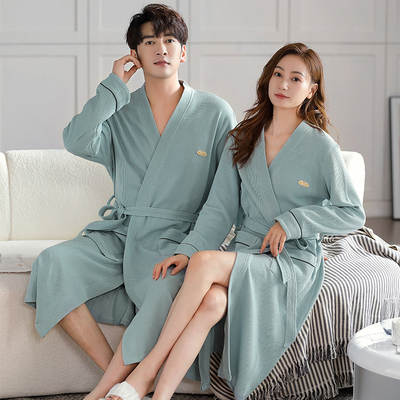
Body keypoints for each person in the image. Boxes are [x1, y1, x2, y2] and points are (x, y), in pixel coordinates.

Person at [101, 42, 366, 400]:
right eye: (278, 74)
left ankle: (143, 375)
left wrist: (294, 221)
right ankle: (160, 395)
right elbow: (219, 209)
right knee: (212, 302)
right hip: (246, 251)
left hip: (289, 260)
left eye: (295, 78)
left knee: (206, 263)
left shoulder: (321, 147)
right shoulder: (242, 138)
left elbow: (352, 213)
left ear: (311, 90)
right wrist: (188, 250)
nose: (283, 84)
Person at [23, 4, 236, 400]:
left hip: (177, 240)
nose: (161, 48)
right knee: (53, 264)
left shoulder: (215, 113)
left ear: (183, 53)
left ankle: (106, 391)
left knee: (165, 291)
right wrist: (113, 88)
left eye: (169, 40)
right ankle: (121, 379)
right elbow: (76, 140)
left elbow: (224, 201)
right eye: (149, 42)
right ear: (135, 55)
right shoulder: (120, 110)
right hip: (121, 234)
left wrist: (191, 249)